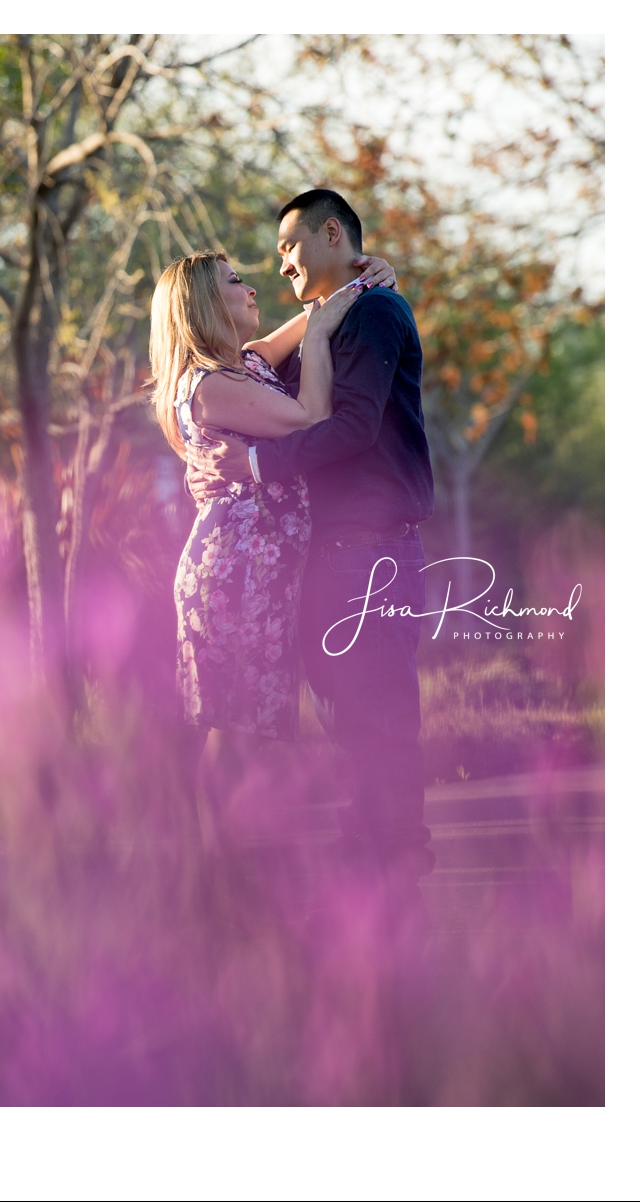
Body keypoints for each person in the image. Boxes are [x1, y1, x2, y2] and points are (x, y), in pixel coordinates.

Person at [185, 189, 436, 899]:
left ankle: (401, 869)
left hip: (374, 553)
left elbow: (350, 426)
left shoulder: (379, 313)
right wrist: (348, 286)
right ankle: (365, 871)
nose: (281, 264)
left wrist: (260, 467)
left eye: (289, 247)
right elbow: (291, 390)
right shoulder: (321, 327)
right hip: (319, 561)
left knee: (380, 715)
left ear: (332, 233)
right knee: (345, 720)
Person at [149, 247, 389, 846]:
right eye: (236, 283)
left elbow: (314, 314)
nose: (252, 289)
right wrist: (328, 323)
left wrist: (371, 277)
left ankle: (234, 874)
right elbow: (312, 414)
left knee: (250, 727)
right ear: (205, 304)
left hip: (263, 574)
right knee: (232, 729)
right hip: (235, 574)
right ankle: (218, 879)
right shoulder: (210, 386)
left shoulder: (246, 365)